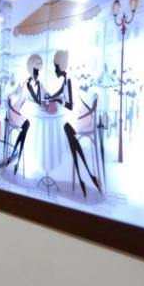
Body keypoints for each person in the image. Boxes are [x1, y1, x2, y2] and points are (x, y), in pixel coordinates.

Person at [0, 55, 44, 175]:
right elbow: (36, 100)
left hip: (16, 111)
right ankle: (16, 155)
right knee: (26, 125)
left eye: (38, 70)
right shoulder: (28, 83)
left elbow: (31, 98)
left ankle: (15, 154)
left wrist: (39, 92)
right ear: (31, 69)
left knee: (26, 126)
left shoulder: (31, 83)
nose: (37, 73)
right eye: (36, 70)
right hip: (14, 112)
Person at [49, 50, 102, 197]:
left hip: (85, 117)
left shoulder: (70, 80)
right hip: (79, 116)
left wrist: (57, 100)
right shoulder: (66, 79)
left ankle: (86, 177)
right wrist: (50, 98)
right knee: (68, 132)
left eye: (55, 66)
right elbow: (58, 93)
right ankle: (88, 177)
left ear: (61, 65)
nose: (54, 70)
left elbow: (70, 105)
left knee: (67, 130)